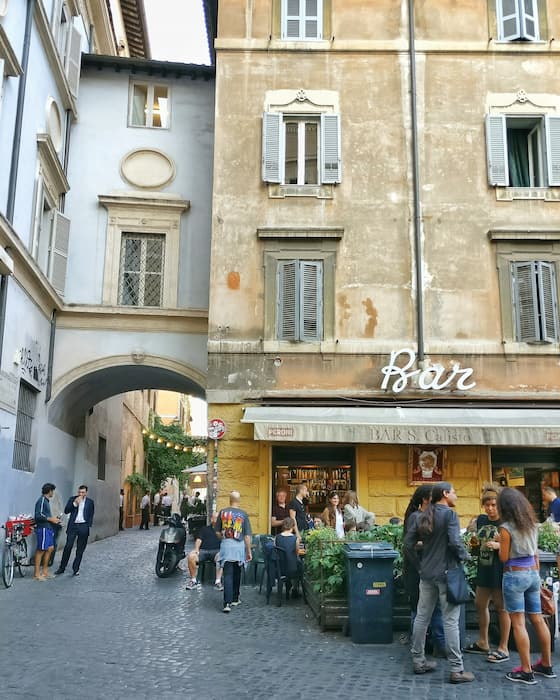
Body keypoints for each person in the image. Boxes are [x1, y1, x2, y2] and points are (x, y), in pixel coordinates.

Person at [404, 482, 474, 684]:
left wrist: (420, 566)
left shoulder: (421, 515)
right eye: (454, 492)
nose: (456, 495)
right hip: (447, 573)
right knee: (450, 620)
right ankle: (457, 669)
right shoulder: (449, 515)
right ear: (445, 494)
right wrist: (465, 556)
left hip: (427, 574)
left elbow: (408, 545)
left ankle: (418, 660)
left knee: (421, 617)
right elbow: (454, 542)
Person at [498, 487, 555, 684]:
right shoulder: (532, 524)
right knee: (538, 620)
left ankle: (526, 670)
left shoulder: (506, 528)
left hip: (514, 575)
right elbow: (536, 555)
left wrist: (499, 544)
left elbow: (504, 558)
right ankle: (546, 664)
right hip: (533, 574)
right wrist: (536, 578)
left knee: (519, 623)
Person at [463, 484, 510, 662]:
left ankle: (503, 647)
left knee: (502, 608)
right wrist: (473, 544)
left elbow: (517, 547)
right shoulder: (481, 520)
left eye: (494, 505)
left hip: (500, 569)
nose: (490, 508)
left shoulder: (506, 523)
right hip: (484, 566)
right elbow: (476, 539)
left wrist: (500, 546)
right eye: (487, 505)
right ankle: (483, 641)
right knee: (479, 603)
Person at [402, 485, 445, 658]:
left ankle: (433, 646)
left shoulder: (425, 516)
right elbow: (409, 545)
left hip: (424, 569)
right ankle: (425, 647)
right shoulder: (416, 517)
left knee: (430, 610)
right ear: (425, 499)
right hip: (418, 570)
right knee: (422, 611)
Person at [215, 491, 252, 613]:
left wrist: (224, 538)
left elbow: (217, 532)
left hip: (226, 547)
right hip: (239, 548)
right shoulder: (243, 514)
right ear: (239, 500)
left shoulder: (222, 512)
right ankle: (235, 598)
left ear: (229, 500)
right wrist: (248, 551)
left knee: (228, 574)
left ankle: (227, 603)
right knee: (237, 572)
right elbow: (247, 536)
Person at [54, 485, 95, 577]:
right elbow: (66, 511)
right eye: (79, 492)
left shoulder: (90, 502)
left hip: (83, 526)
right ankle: (62, 568)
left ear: (86, 493)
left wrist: (88, 525)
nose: (81, 494)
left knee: (80, 549)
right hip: (73, 526)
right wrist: (74, 504)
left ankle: (76, 569)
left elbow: (91, 513)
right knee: (68, 546)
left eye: (83, 492)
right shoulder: (72, 499)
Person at [185, 513, 223, 591]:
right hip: (203, 551)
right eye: (214, 518)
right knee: (191, 556)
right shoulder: (204, 529)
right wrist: (196, 550)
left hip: (217, 551)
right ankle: (193, 580)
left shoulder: (223, 531)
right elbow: (199, 540)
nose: (216, 520)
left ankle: (218, 582)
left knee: (221, 557)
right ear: (211, 519)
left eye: (218, 518)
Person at [33, 483, 61, 581]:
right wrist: (51, 519)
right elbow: (38, 515)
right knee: (41, 550)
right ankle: (36, 574)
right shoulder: (41, 501)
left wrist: (54, 519)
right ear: (50, 491)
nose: (53, 493)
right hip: (43, 528)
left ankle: (45, 572)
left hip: (48, 528)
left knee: (50, 548)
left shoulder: (46, 501)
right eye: (52, 491)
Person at [274, 517, 303, 597]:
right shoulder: (295, 539)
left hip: (280, 568)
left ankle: (288, 584)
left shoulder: (277, 537)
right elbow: (297, 552)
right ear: (293, 526)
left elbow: (275, 550)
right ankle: (295, 589)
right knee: (300, 565)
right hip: (292, 569)